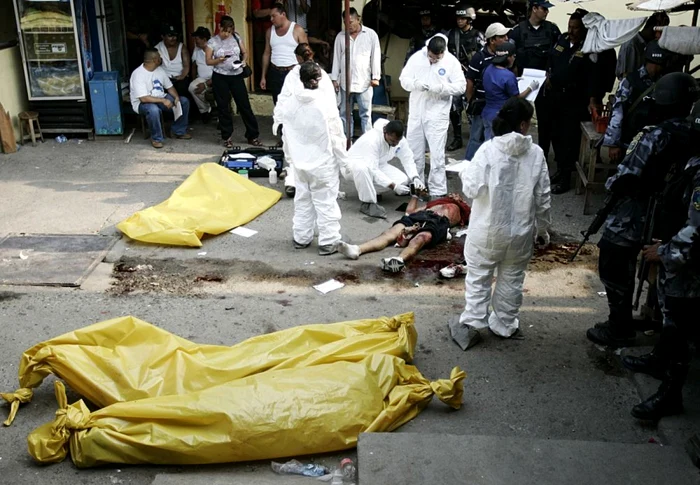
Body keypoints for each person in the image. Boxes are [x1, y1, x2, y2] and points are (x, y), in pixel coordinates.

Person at [585, 73, 698, 349]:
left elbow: (623, 178)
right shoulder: (692, 135)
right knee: (665, 273)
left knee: (613, 262)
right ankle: (657, 323)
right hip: (672, 218)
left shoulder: (653, 134)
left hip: (636, 211)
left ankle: (619, 326)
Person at [449, 97, 551, 351]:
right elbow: (543, 199)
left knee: (479, 277)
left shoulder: (488, 150)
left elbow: (472, 188)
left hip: (487, 232)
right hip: (520, 234)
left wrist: (464, 171)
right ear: (525, 125)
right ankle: (505, 325)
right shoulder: (537, 155)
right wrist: (543, 230)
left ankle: (472, 325)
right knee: (512, 280)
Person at [623, 101, 700, 421]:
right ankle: (659, 360)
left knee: (680, 327)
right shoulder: (693, 163)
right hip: (676, 257)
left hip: (688, 266)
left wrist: (665, 252)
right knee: (671, 321)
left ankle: (670, 394)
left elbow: (697, 230)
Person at [275, 62, 349, 256]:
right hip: (323, 163)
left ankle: (301, 237)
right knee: (325, 202)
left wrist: (291, 160)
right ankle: (329, 241)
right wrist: (344, 163)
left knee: (303, 200)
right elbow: (336, 138)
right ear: (318, 80)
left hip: (300, 164)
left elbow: (286, 137)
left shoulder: (289, 104)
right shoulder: (324, 104)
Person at [400, 34, 466, 198]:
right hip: (417, 112)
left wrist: (442, 88)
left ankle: (437, 189)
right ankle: (416, 188)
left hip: (437, 114)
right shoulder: (417, 58)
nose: (433, 60)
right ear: (427, 50)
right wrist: (415, 84)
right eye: (431, 57)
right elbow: (404, 79)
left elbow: (461, 87)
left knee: (437, 154)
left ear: (443, 52)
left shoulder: (451, 62)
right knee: (414, 152)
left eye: (437, 58)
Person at [337, 193, 471, 273]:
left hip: (439, 222)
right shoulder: (436, 202)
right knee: (389, 233)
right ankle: (357, 249)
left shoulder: (464, 209)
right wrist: (415, 196)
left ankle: (399, 260)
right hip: (421, 215)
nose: (454, 195)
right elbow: (410, 212)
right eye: (452, 194)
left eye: (457, 195)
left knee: (421, 238)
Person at [547, 9, 600, 195]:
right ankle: (561, 169)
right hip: (555, 97)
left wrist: (593, 99)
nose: (571, 30)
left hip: (574, 100)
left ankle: (566, 177)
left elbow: (593, 77)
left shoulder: (589, 47)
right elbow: (551, 59)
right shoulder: (561, 39)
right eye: (569, 26)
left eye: (575, 28)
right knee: (556, 136)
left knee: (569, 139)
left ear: (584, 29)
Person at [274, 43, 337, 198]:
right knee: (312, 152)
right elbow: (331, 101)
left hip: (299, 120)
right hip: (317, 121)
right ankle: (297, 182)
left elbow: (284, 99)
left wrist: (279, 120)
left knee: (296, 152)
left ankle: (297, 182)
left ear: (297, 57)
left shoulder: (294, 74)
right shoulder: (320, 73)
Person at [508, 0, 561, 160]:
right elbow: (509, 56)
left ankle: (542, 155)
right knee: (518, 118)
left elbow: (559, 54)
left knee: (546, 122)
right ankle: (515, 151)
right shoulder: (518, 31)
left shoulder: (552, 30)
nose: (546, 12)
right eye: (544, 9)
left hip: (545, 84)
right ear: (534, 9)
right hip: (523, 84)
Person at [603, 41, 671, 162]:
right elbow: (617, 112)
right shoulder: (630, 81)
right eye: (656, 64)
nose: (659, 68)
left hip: (651, 146)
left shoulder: (664, 82)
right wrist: (613, 144)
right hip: (628, 144)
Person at [346, 119, 425, 218]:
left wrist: (415, 177)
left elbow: (407, 159)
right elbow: (372, 169)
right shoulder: (372, 140)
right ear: (385, 132)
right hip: (353, 165)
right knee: (362, 169)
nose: (395, 144)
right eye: (393, 141)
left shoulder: (399, 140)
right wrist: (393, 186)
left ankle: (372, 191)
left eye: (398, 141)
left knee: (402, 180)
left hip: (378, 164)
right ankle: (367, 203)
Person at [206, 15, 262, 148]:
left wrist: (244, 61)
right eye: (224, 31)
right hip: (220, 76)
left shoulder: (236, 37)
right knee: (223, 107)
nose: (226, 34)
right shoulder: (212, 41)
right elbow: (208, 61)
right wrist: (218, 60)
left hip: (236, 74)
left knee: (244, 105)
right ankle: (227, 136)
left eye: (229, 31)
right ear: (220, 28)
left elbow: (245, 52)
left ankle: (252, 135)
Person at [330, 8, 382, 137]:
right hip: (344, 83)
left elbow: (375, 56)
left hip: (364, 81)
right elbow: (336, 58)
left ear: (358, 19)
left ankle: (367, 143)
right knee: (345, 114)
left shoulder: (370, 34)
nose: (348, 25)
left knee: (365, 114)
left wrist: (375, 76)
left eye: (351, 22)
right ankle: (347, 142)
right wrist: (334, 78)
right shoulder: (340, 36)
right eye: (345, 22)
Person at [464, 22, 509, 160]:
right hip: (481, 105)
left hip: (499, 105)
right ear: (492, 40)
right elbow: (470, 81)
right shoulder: (479, 58)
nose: (506, 38)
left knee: (495, 139)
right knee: (476, 137)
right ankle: (469, 166)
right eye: (502, 36)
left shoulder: (506, 55)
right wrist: (470, 102)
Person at [130, 49, 192, 149]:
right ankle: (156, 138)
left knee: (183, 101)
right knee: (153, 110)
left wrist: (176, 98)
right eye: (159, 57)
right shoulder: (138, 74)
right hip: (142, 103)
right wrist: (163, 101)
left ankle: (178, 131)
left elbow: (170, 87)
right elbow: (143, 98)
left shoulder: (159, 70)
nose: (161, 59)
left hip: (160, 97)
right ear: (155, 60)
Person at [445, 5, 485, 151]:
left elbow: (484, 56)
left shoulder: (477, 36)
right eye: (458, 18)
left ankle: (476, 139)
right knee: (454, 109)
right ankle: (457, 138)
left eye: (463, 19)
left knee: (472, 110)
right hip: (456, 77)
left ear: (470, 19)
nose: (460, 21)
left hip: (472, 78)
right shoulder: (452, 35)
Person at [481, 42, 539, 140]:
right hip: (501, 116)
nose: (514, 59)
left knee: (488, 144)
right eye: (514, 56)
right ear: (509, 57)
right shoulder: (508, 76)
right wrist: (530, 88)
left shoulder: (488, 69)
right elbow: (517, 98)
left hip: (487, 113)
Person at [261, 3, 308, 104]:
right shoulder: (269, 32)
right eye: (270, 16)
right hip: (275, 72)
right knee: (278, 105)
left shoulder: (297, 30)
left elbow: (306, 54)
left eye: (274, 16)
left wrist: (305, 76)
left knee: (294, 104)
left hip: (292, 72)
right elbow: (266, 53)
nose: (271, 19)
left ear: (283, 14)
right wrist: (263, 76)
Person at [616, 12, 670, 80]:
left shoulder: (650, 45)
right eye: (661, 31)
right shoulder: (631, 44)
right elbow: (626, 76)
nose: (661, 35)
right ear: (654, 27)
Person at [155, 25, 191, 100]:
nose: (173, 38)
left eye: (175, 35)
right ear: (163, 36)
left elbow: (186, 66)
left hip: (180, 77)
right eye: (170, 36)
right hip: (164, 78)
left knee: (183, 96)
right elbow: (154, 66)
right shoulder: (157, 48)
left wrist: (182, 76)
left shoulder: (182, 47)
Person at [188, 27, 214, 123]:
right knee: (192, 87)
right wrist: (194, 79)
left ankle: (220, 116)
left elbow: (219, 72)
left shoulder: (214, 49)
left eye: (197, 39)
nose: (195, 41)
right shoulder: (197, 49)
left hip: (216, 79)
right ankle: (205, 111)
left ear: (204, 39)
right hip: (202, 78)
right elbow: (194, 66)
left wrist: (206, 84)